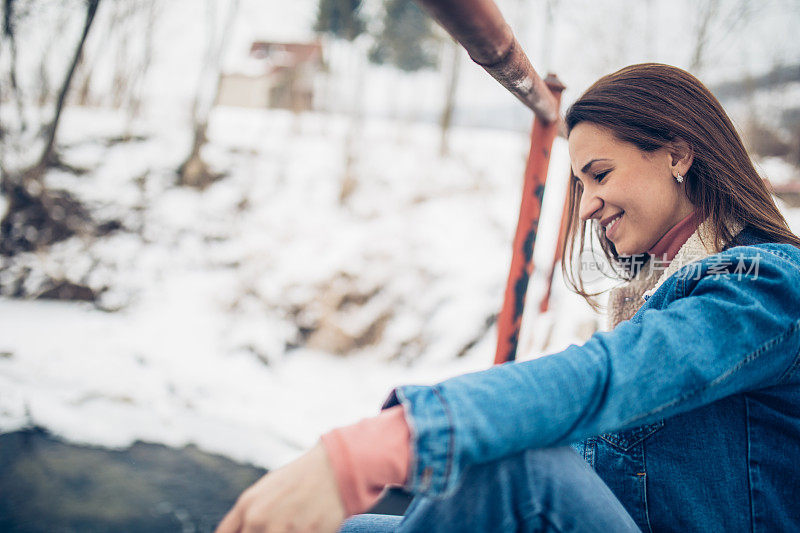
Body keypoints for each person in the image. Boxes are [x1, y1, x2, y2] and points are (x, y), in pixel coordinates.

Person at [215, 63, 800, 533]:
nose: (587, 204)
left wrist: (372, 451)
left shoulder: (766, 287)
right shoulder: (663, 288)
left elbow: (609, 376)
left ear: (677, 154)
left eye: (600, 174)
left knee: (517, 474)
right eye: (579, 185)